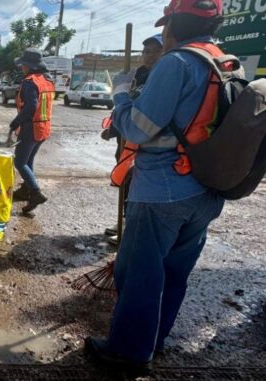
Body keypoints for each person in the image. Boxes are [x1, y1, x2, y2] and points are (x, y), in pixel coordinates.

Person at [84, 0, 227, 375]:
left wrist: (120, 96)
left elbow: (137, 128)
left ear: (174, 25)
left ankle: (128, 352)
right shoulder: (222, 63)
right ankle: (153, 339)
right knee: (174, 271)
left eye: (165, 26)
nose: (163, 34)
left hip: (163, 190)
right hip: (207, 189)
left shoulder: (177, 63)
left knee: (138, 273)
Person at [101, 33, 164, 244]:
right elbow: (122, 107)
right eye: (146, 51)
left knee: (137, 187)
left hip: (147, 144)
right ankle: (123, 221)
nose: (150, 55)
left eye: (156, 51)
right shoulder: (137, 75)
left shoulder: (163, 78)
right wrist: (113, 128)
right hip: (127, 142)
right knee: (125, 183)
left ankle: (130, 228)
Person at [8, 48, 55, 214]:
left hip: (31, 128)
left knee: (19, 162)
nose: (22, 68)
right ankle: (25, 190)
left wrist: (15, 122)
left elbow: (31, 107)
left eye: (23, 65)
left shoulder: (30, 82)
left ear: (29, 66)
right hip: (43, 128)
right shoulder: (47, 80)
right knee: (28, 161)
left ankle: (35, 192)